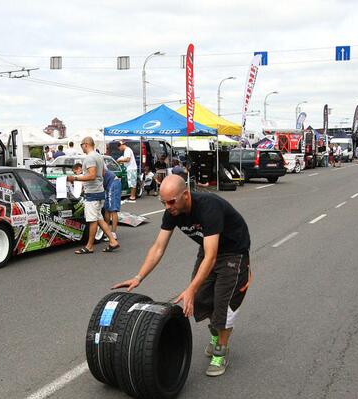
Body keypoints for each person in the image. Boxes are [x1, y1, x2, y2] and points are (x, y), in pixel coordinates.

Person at [112, 175, 251, 377]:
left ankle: (221, 350)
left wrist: (190, 289)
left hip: (233, 252)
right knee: (202, 300)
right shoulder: (172, 212)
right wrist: (139, 276)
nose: (167, 206)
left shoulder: (208, 207)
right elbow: (158, 247)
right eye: (163, 202)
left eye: (171, 201)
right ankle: (216, 333)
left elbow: (212, 257)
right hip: (208, 250)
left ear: (185, 195)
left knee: (223, 304)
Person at [67, 137, 119, 254]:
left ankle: (89, 246)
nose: (81, 148)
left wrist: (75, 178)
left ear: (85, 144)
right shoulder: (99, 156)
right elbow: (103, 173)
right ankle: (112, 240)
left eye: (81, 145)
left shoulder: (89, 158)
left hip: (93, 193)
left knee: (92, 220)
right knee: (99, 219)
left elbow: (92, 175)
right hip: (99, 190)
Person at [102, 164, 121, 241]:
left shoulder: (97, 168)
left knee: (113, 209)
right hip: (108, 185)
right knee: (107, 209)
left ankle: (113, 233)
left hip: (113, 183)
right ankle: (107, 232)